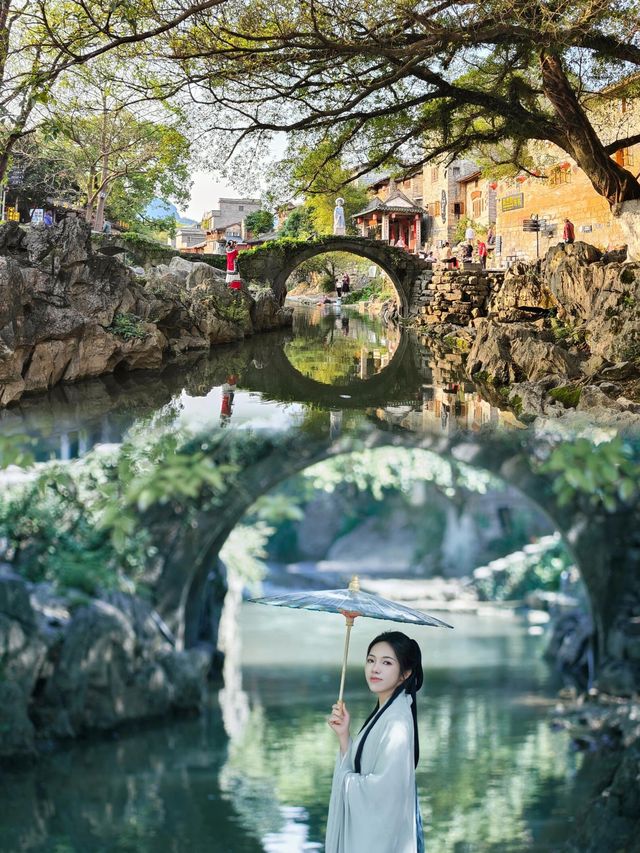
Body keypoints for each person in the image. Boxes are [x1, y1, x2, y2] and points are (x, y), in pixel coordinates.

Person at [325, 631, 425, 853]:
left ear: (405, 673)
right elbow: (364, 767)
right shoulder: (387, 711)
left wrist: (346, 781)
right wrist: (344, 735)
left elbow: (382, 794)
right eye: (371, 660)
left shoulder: (397, 722)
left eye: (386, 662)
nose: (375, 668)